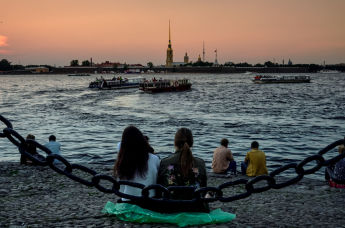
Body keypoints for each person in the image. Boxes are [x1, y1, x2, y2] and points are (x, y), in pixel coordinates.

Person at [157, 128, 208, 212]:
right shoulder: (200, 163)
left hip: (169, 208)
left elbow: (159, 188)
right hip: (195, 207)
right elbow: (203, 188)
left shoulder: (165, 162)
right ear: (192, 143)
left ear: (175, 142)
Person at [114, 126, 160, 200]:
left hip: (128, 199)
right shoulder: (155, 158)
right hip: (150, 199)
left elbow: (121, 189)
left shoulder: (123, 161)